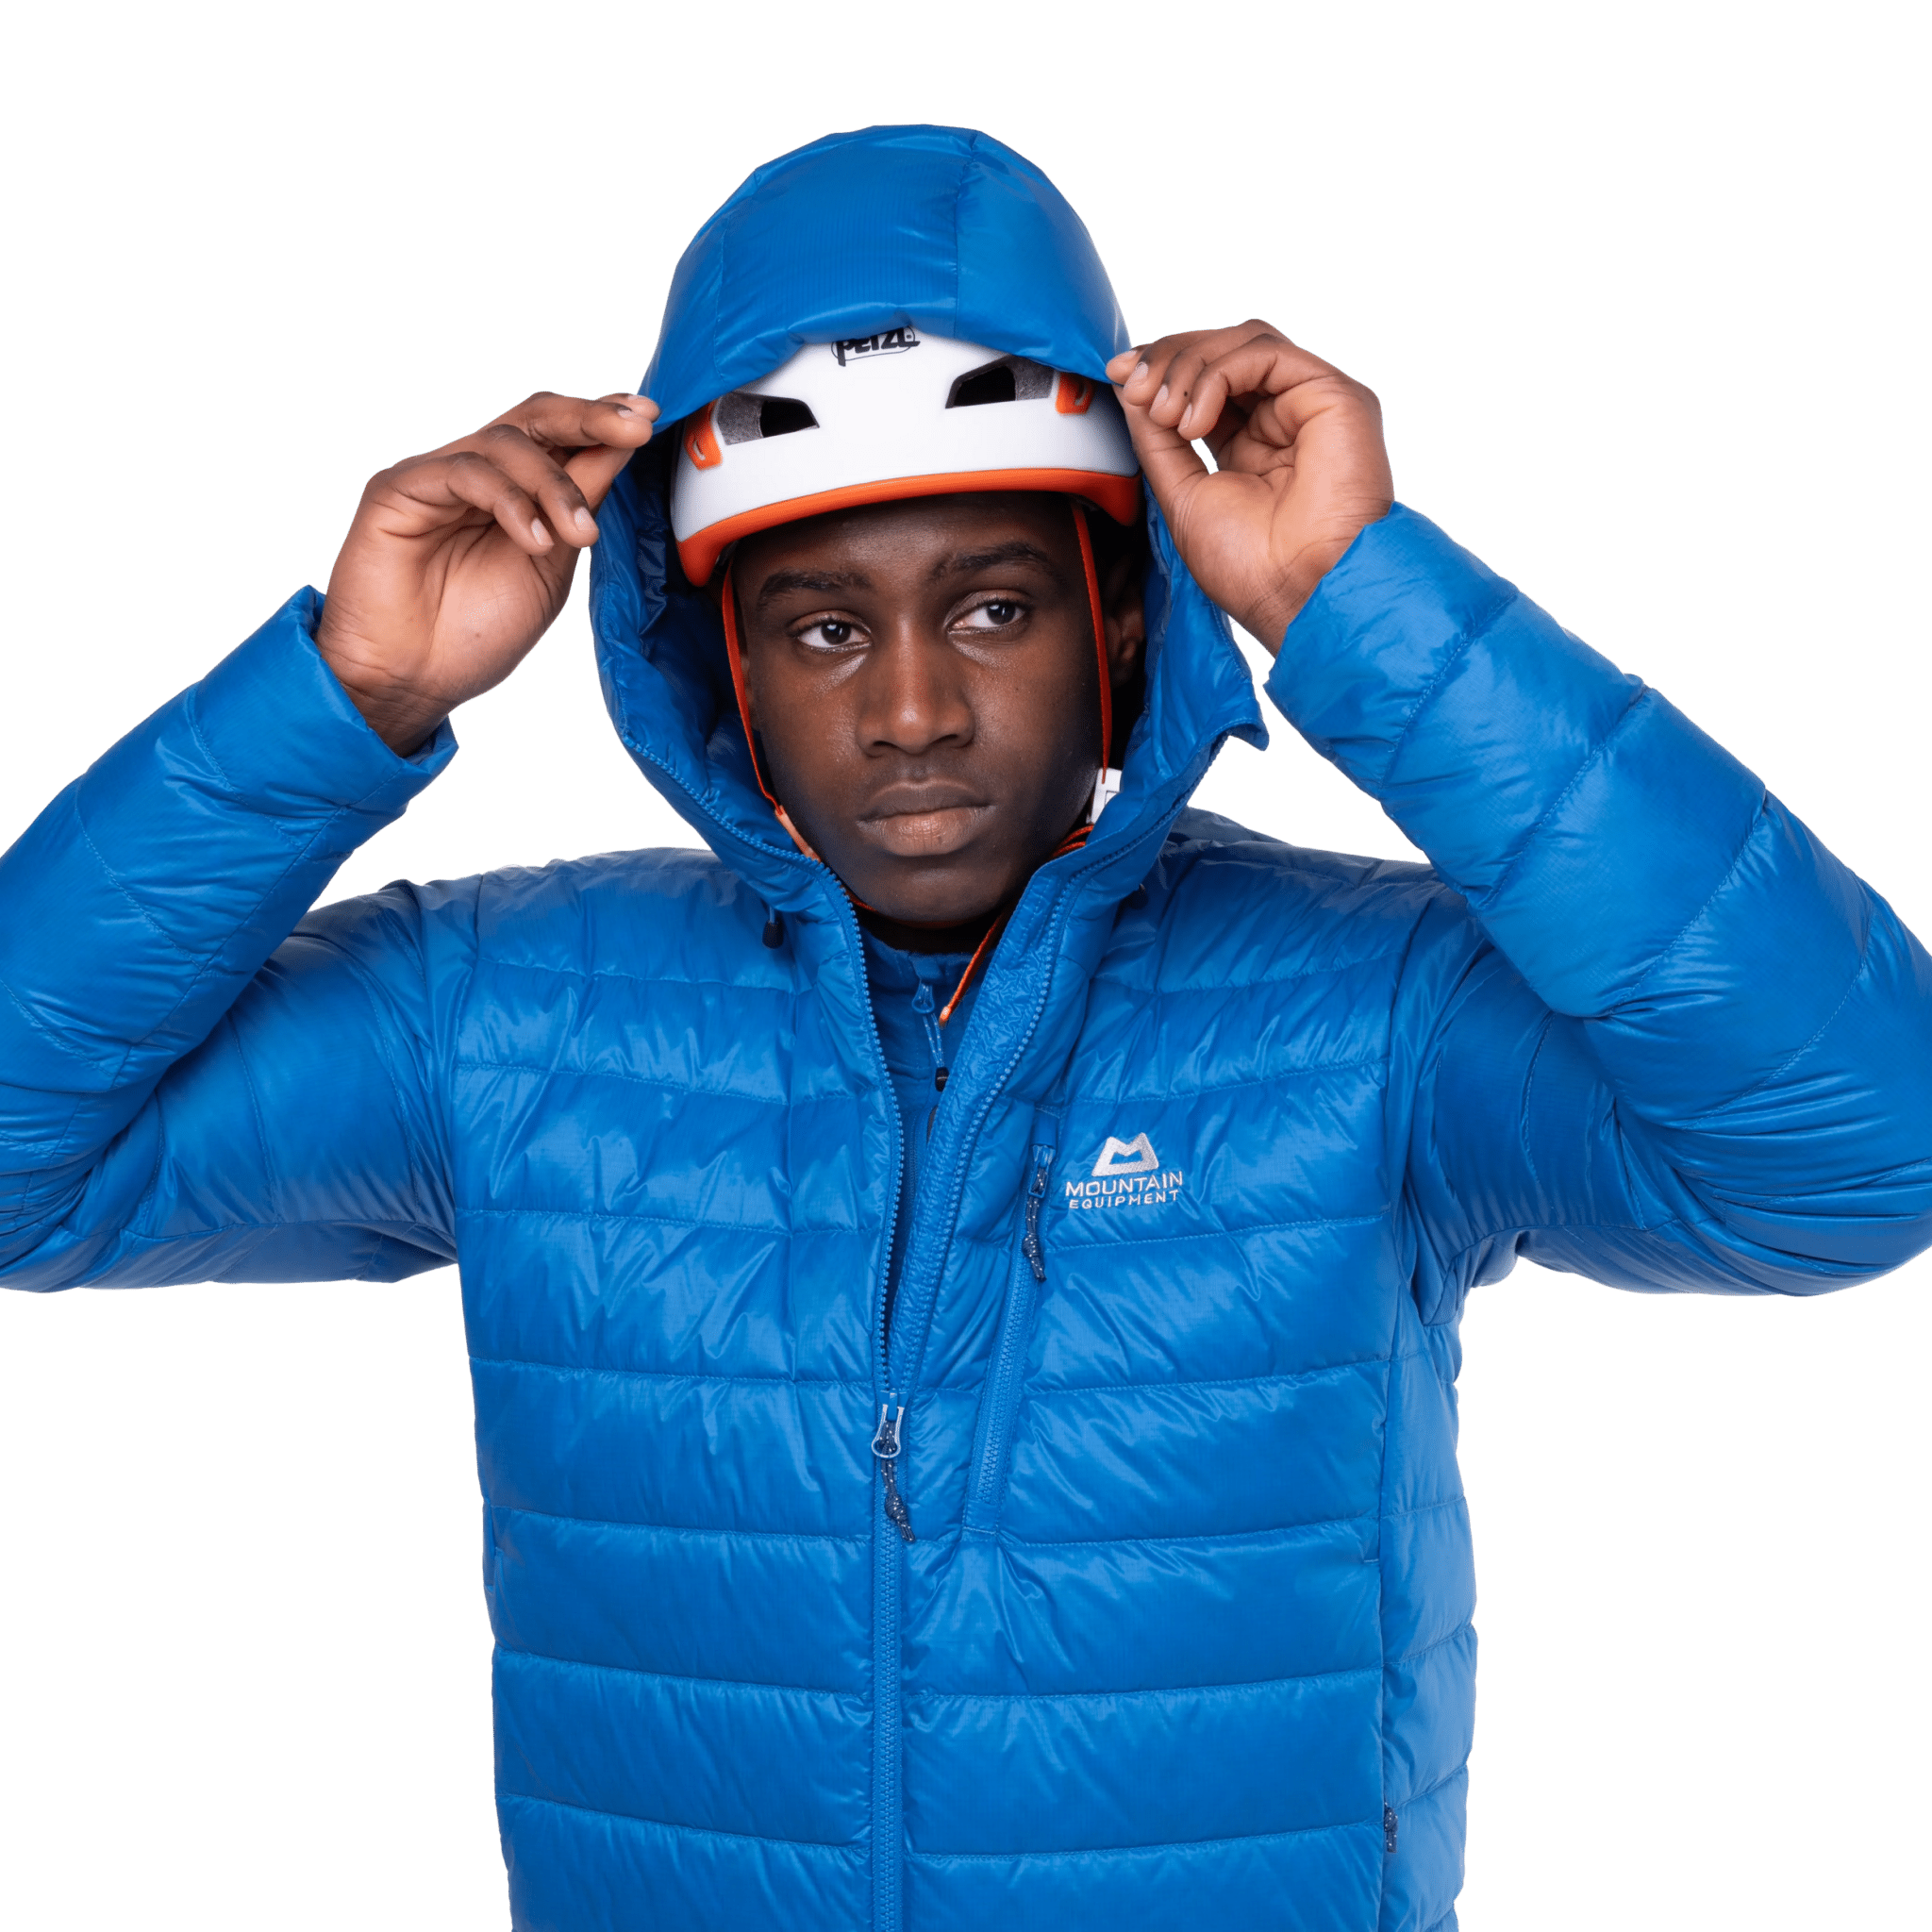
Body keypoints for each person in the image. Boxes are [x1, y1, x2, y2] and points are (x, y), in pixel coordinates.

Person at [1, 123, 1925, 1932]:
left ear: (1119, 622)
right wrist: (343, 693)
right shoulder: (509, 1015)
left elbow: (1862, 1146)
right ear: (721, 666)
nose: (911, 708)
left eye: (993, 609)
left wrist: (1361, 604)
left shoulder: (1370, 1011)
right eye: (825, 628)